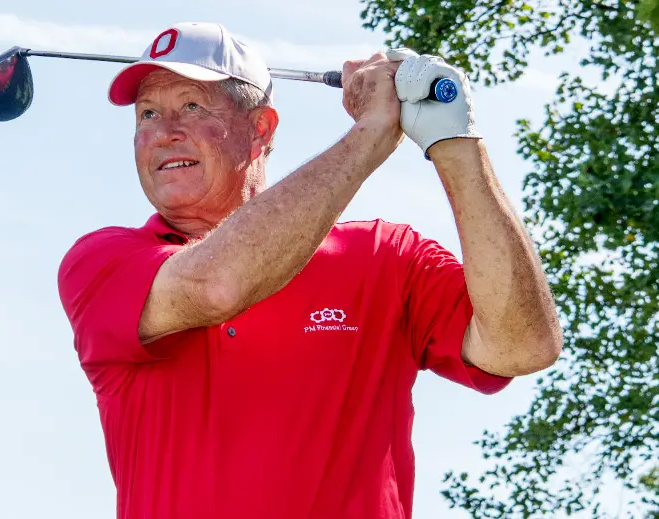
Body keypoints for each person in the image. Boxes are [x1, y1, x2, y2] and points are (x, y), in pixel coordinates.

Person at [57, 21, 563, 519]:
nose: (163, 134)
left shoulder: (388, 256)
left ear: (261, 129)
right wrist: (369, 134)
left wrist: (454, 141)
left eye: (191, 106)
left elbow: (522, 345)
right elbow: (216, 284)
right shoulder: (103, 261)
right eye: (147, 115)